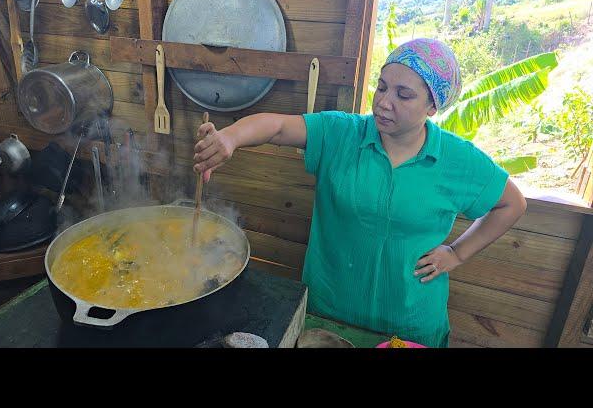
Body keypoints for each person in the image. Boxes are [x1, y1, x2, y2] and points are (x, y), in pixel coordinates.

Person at [192, 38, 527, 347]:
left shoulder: (457, 159)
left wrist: (456, 253)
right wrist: (230, 137)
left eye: (403, 94)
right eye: (381, 87)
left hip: (409, 325)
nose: (384, 102)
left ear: (432, 106)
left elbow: (512, 203)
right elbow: (277, 126)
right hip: (329, 315)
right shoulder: (343, 134)